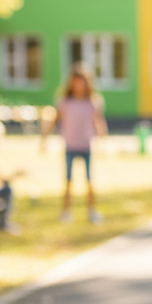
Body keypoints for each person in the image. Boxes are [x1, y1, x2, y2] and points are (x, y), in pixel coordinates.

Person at [55, 66, 108, 224]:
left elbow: (98, 122)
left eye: (81, 83)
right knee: (68, 180)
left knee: (89, 180)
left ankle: (92, 210)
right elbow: (56, 119)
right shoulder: (65, 102)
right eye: (75, 82)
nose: (78, 86)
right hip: (70, 145)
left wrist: (102, 140)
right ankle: (66, 211)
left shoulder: (92, 102)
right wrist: (44, 138)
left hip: (86, 145)